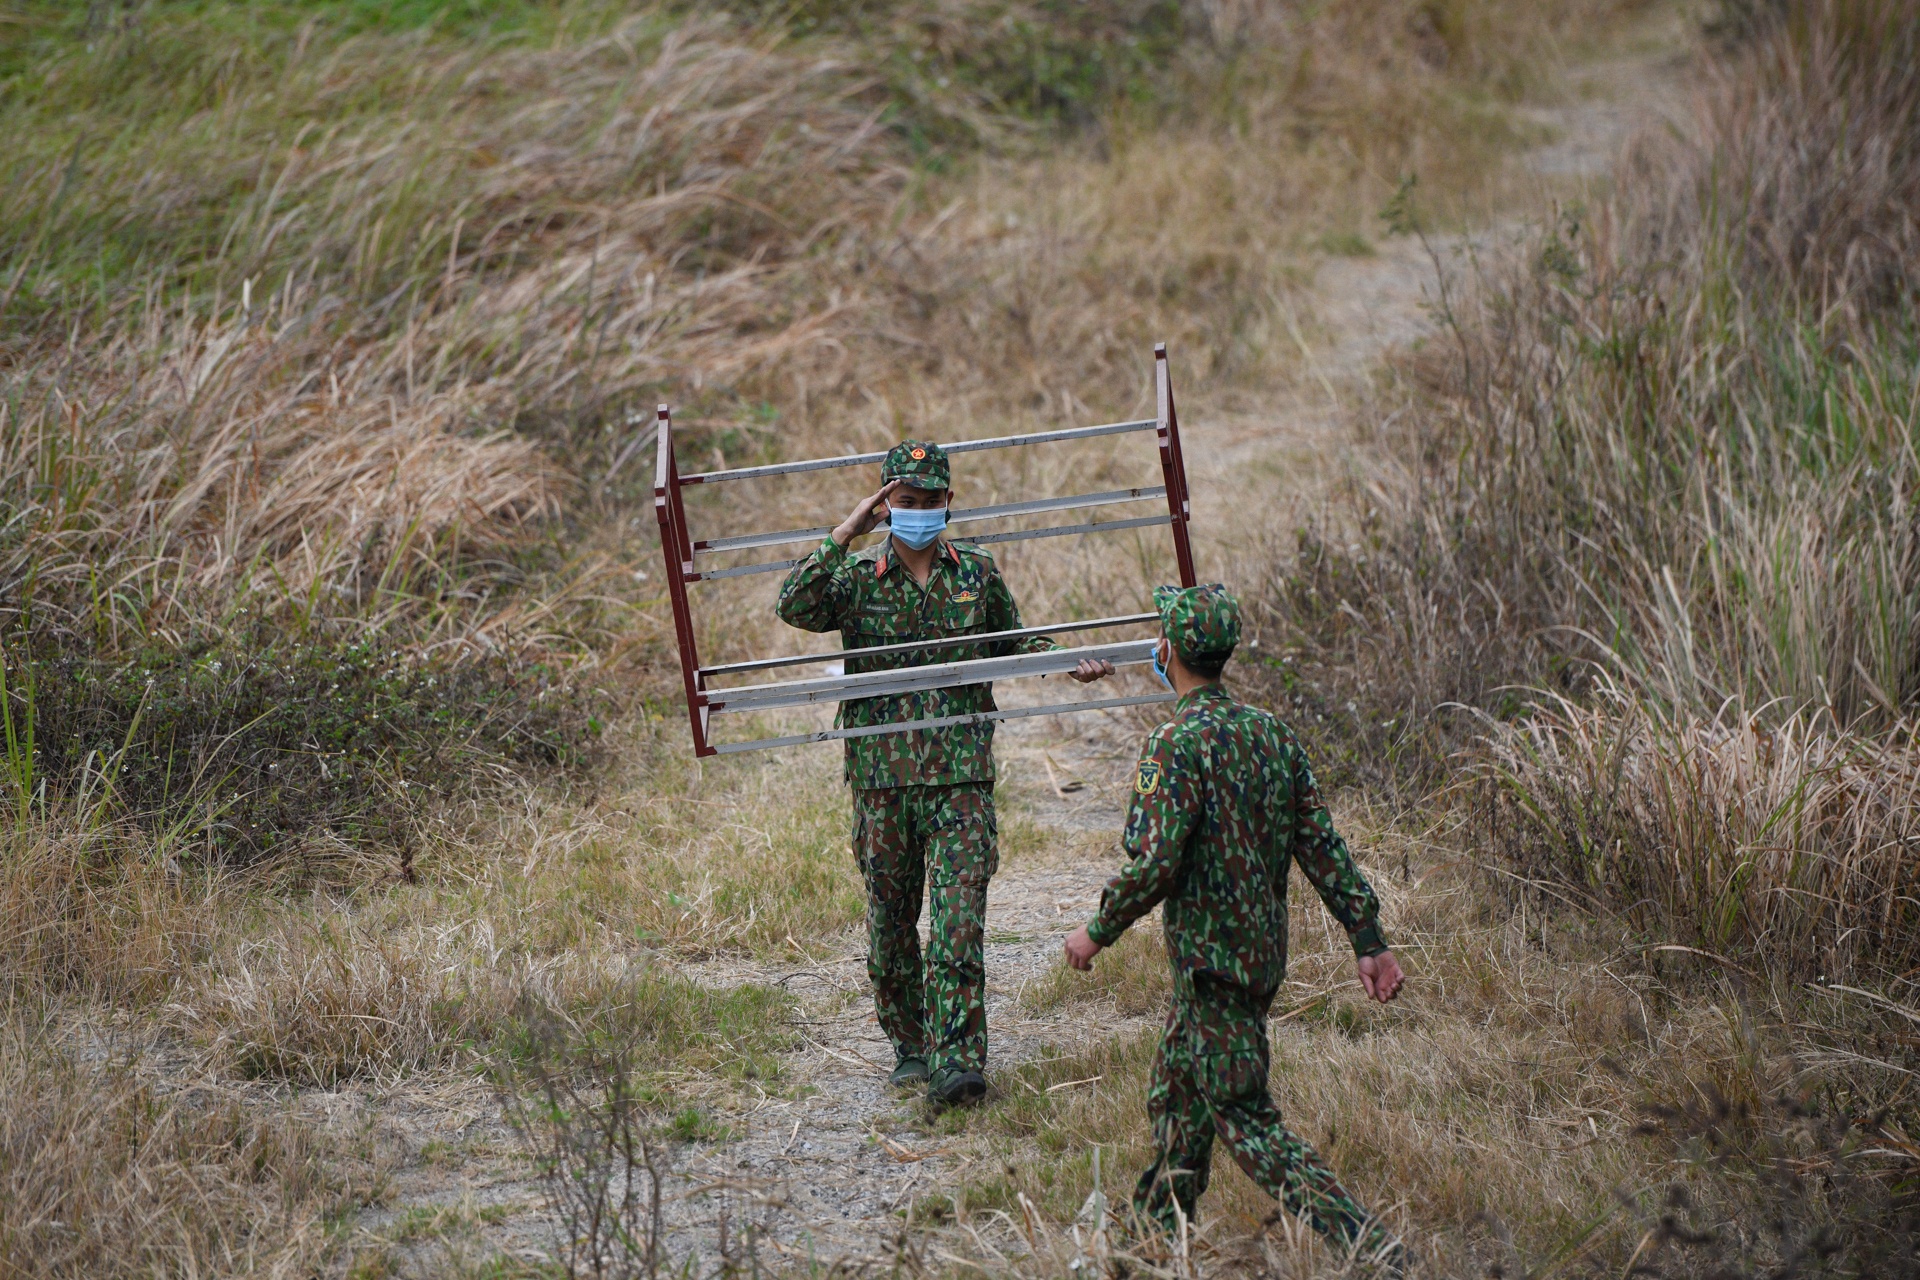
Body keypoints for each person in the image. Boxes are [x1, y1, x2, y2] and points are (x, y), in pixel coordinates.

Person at [1062, 583, 1408, 1263]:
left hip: (1211, 966)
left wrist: (1097, 931)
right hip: (1253, 960)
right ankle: (1151, 1245)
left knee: (1246, 1120)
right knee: (1177, 1099)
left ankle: (1374, 1248)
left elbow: (1157, 862)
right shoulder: (1272, 735)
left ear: (1167, 650)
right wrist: (1367, 937)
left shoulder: (1174, 745)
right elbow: (1323, 846)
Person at [777, 440, 1113, 1107]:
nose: (921, 513)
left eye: (932, 502)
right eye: (907, 502)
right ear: (886, 505)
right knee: (892, 923)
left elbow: (1013, 642)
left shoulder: (976, 576)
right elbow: (794, 605)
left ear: (949, 503)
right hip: (883, 779)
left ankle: (959, 1062)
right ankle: (912, 1047)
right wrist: (846, 532)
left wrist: (1066, 657)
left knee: (959, 923)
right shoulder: (854, 579)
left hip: (961, 776)